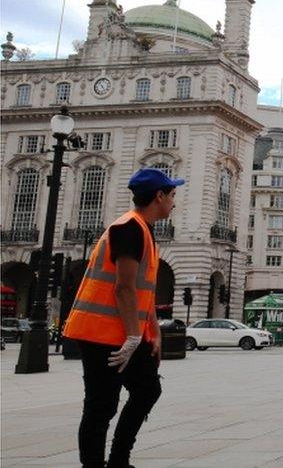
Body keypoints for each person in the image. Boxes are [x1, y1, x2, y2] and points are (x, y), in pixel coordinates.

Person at [63, 168, 184, 468]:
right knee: (101, 406)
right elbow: (124, 286)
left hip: (123, 333)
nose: (174, 202)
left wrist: (151, 330)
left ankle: (118, 460)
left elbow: (144, 291)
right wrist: (134, 336)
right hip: (101, 334)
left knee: (147, 389)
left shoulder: (143, 229)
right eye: (172, 195)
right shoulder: (129, 228)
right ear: (159, 196)